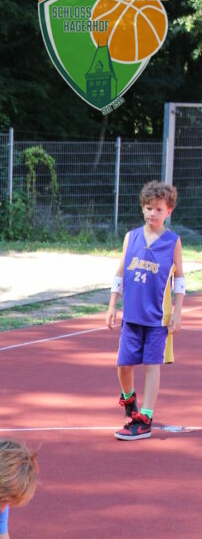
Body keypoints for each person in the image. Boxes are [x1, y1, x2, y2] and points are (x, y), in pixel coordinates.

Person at [106, 180, 185, 440]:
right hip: (132, 316)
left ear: (169, 211)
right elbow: (119, 274)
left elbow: (180, 280)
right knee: (123, 365)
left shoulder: (173, 242)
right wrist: (112, 305)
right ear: (142, 208)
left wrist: (178, 311)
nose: (153, 213)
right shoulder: (131, 238)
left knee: (152, 365)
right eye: (149, 208)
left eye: (159, 209)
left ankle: (145, 417)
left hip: (157, 319)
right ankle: (129, 399)